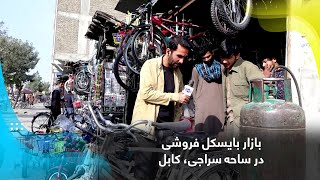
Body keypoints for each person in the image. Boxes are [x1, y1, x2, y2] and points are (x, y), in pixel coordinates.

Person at [131, 36, 191, 180]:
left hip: (166, 131)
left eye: (184, 58)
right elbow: (146, 94)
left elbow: (178, 100)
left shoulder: (178, 74)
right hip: (146, 130)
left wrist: (182, 101)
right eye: (179, 56)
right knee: (143, 173)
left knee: (161, 173)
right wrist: (175, 96)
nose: (182, 61)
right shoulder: (150, 65)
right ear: (168, 51)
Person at [218, 37, 272, 139]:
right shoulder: (225, 70)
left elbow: (263, 92)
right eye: (222, 58)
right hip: (230, 120)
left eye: (228, 57)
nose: (224, 61)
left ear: (237, 55)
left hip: (245, 122)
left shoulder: (248, 67)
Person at [191, 45, 224, 137]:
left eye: (208, 56)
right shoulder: (197, 69)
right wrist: (196, 103)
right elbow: (194, 86)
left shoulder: (221, 68)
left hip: (218, 103)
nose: (206, 59)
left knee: (218, 131)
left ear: (212, 54)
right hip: (202, 104)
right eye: (204, 58)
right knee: (201, 132)